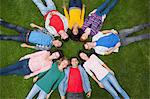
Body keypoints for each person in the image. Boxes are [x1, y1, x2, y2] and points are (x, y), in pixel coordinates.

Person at [84, 23, 150, 55]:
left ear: (88, 42)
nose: (89, 45)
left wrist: (111, 31)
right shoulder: (97, 51)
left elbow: (102, 32)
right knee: (137, 38)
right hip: (120, 42)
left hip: (118, 34)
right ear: (89, 48)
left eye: (88, 44)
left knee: (133, 29)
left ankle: (147, 25)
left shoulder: (94, 37)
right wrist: (115, 47)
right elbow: (107, 53)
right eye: (88, 47)